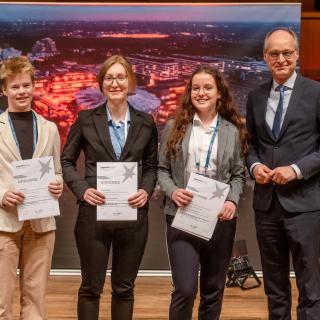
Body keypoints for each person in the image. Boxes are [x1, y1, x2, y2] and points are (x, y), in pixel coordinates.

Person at [61, 55, 158, 320]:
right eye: (109, 78)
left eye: (121, 77)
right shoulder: (85, 119)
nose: (115, 83)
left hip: (133, 217)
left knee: (124, 289)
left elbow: (151, 167)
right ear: (101, 84)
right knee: (91, 288)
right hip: (93, 216)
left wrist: (146, 190)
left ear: (130, 81)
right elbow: (67, 161)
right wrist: (81, 190)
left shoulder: (145, 122)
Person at [158, 64, 247, 320]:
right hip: (181, 216)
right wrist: (173, 191)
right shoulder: (175, 127)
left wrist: (232, 200)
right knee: (185, 289)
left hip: (219, 219)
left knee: (213, 289)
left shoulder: (232, 130)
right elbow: (162, 170)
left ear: (219, 92)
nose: (201, 92)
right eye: (196, 88)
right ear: (190, 92)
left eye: (208, 87)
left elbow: (238, 174)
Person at [246, 28, 320, 320]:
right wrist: (254, 167)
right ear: (265, 57)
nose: (281, 59)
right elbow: (250, 145)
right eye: (274, 53)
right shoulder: (255, 96)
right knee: (275, 288)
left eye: (287, 52)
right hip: (267, 207)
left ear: (297, 54)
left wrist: (296, 170)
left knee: (310, 286)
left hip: (304, 205)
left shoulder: (316, 93)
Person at [0, 56, 63, 319]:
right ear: (4, 90)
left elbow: (57, 170)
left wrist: (57, 184)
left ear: (34, 86)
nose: (22, 91)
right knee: (1, 302)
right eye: (15, 87)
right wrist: (1, 195)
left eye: (26, 85)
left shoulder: (49, 129)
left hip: (41, 223)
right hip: (5, 223)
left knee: (35, 302)